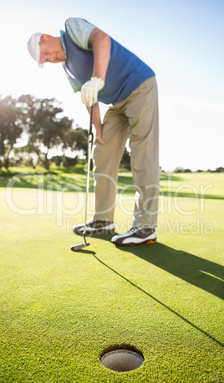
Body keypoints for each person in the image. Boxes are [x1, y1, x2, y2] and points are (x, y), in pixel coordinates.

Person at [27, 17, 159, 247]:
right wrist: (98, 129)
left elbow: (102, 38)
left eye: (45, 54)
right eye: (44, 61)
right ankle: (103, 220)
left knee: (142, 152)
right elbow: (88, 98)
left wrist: (97, 79)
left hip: (140, 85)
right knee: (103, 152)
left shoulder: (72, 28)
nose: (48, 60)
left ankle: (145, 227)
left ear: (46, 39)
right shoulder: (67, 69)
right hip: (117, 103)